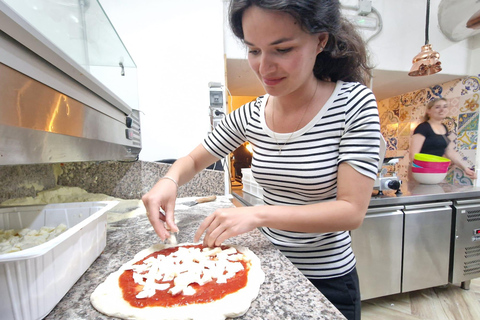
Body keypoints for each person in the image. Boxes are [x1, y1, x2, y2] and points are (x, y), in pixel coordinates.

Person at [142, 1, 381, 319]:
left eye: (282, 49)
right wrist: (168, 180)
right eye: (254, 50)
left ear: (320, 41)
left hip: (327, 280)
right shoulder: (252, 114)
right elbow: (194, 159)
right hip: (266, 265)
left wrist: (257, 215)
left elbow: (351, 211)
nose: (264, 67)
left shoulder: (354, 103)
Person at [410, 98, 476, 178]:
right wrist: (425, 170)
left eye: (445, 107)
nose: (442, 110)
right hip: (422, 172)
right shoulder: (423, 127)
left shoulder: (444, 128)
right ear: (428, 111)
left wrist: (465, 168)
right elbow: (413, 155)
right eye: (437, 107)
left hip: (437, 171)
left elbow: (449, 152)